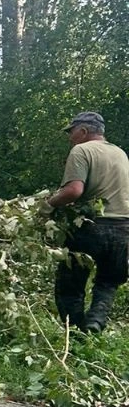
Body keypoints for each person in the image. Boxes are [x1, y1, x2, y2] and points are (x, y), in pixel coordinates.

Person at [45, 111, 129, 333]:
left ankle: (74, 334)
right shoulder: (120, 153)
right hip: (123, 228)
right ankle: (94, 323)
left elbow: (73, 191)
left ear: (83, 131)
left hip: (91, 227)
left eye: (71, 132)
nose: (70, 137)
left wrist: (49, 204)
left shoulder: (82, 150)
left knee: (70, 285)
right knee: (108, 281)